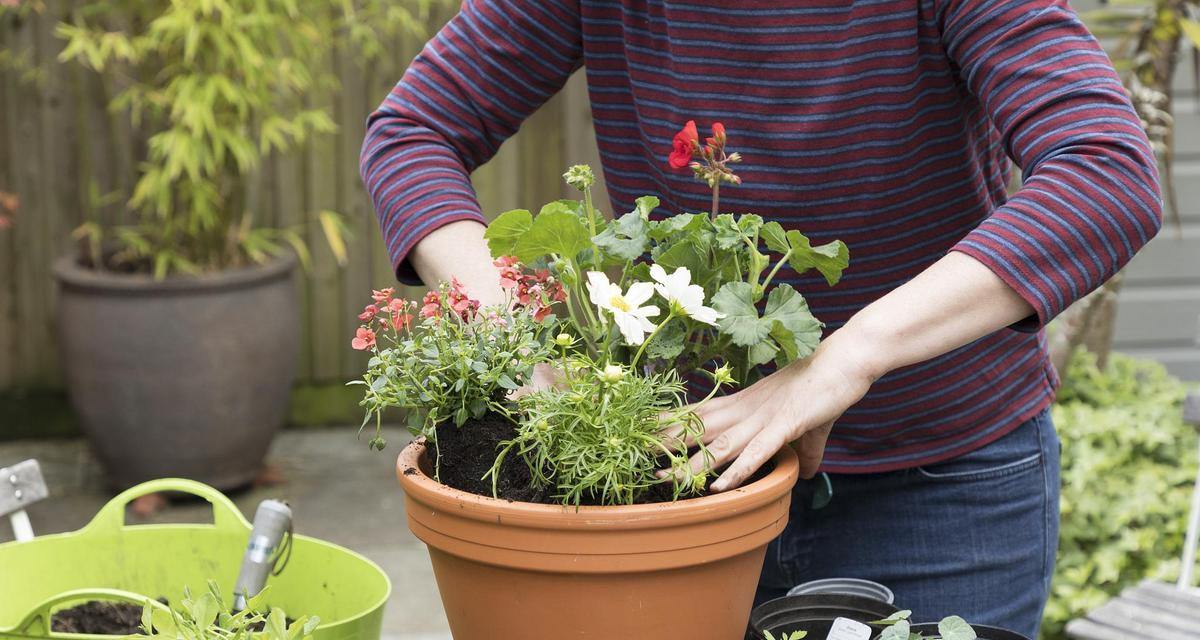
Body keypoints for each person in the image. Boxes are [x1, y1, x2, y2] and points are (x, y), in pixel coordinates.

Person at [359, 1, 1162, 635]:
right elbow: (413, 131)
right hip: (680, 485)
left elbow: (1106, 170)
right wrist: (512, 341)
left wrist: (847, 358)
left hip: (939, 493)